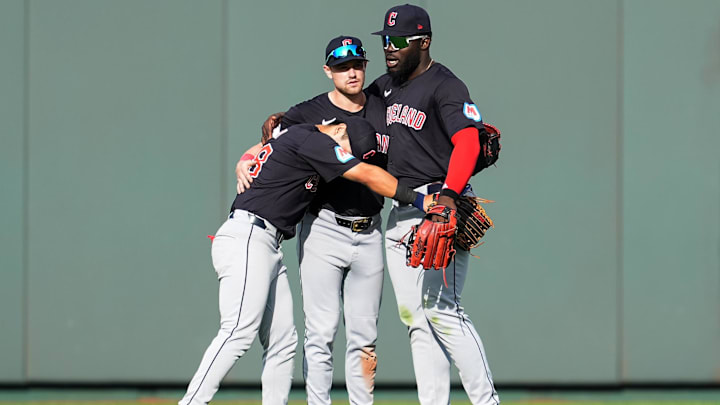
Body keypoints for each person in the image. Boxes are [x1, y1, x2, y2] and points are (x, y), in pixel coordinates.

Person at [180, 117, 430, 405]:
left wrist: (246, 156)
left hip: (264, 241)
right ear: (338, 130)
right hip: (249, 236)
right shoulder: (315, 140)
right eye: (348, 149)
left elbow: (270, 138)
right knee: (238, 330)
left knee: (282, 342)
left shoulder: (299, 137)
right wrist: (421, 201)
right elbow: (364, 174)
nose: (346, 158)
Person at [236, 36, 389, 405]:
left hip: (370, 231)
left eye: (356, 64)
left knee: (364, 337)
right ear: (327, 71)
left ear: (366, 66)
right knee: (320, 333)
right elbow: (270, 143)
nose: (351, 72)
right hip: (324, 227)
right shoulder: (307, 113)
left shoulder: (383, 108)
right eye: (341, 66)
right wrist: (244, 157)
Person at [366, 4, 501, 405]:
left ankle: (486, 401)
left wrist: (447, 197)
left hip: (441, 207)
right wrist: (291, 118)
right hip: (401, 212)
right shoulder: (382, 88)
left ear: (423, 42)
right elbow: (347, 109)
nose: (389, 48)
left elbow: (468, 141)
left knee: (443, 311)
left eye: (399, 41)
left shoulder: (446, 86)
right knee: (417, 321)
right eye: (386, 41)